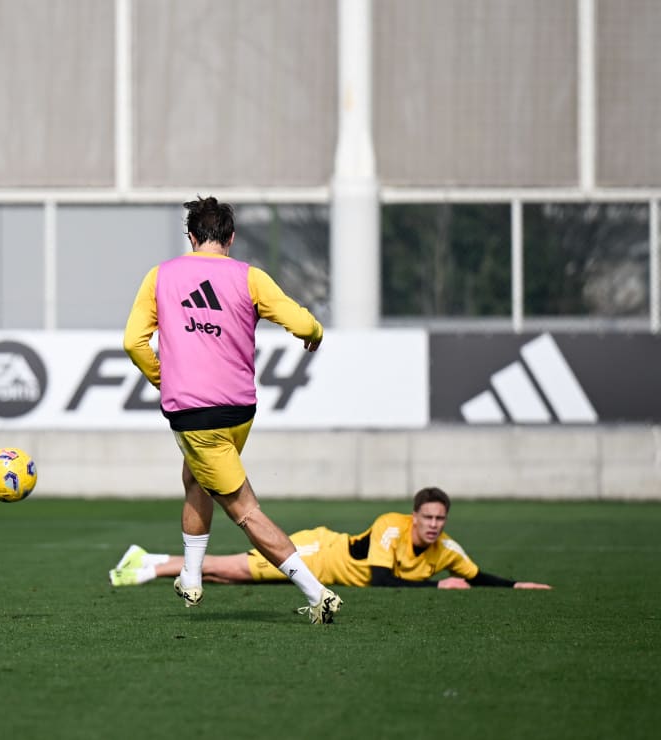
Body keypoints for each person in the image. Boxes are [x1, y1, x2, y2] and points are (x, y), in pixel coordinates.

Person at [122, 196, 342, 624]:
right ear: (231, 237)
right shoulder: (250, 277)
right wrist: (314, 332)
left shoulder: (161, 276)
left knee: (244, 510)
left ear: (190, 236)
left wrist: (161, 377)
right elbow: (300, 323)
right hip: (240, 410)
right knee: (196, 477)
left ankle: (317, 593)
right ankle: (190, 576)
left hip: (195, 415)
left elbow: (133, 342)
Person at [110, 486, 553, 590]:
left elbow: (475, 576)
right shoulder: (391, 526)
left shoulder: (448, 550)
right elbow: (382, 580)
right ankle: (148, 563)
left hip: (327, 565)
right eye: (428, 517)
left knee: (237, 576)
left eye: (440, 519)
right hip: (318, 552)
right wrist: (439, 585)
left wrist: (514, 585)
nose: (434, 525)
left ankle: (152, 561)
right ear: (414, 515)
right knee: (234, 566)